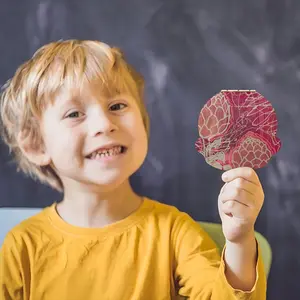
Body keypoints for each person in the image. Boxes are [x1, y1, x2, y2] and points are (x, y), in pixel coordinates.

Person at [0, 39, 266, 300]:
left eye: (117, 106)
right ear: (36, 145)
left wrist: (240, 240)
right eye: (74, 114)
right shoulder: (22, 246)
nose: (104, 124)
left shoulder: (174, 232)